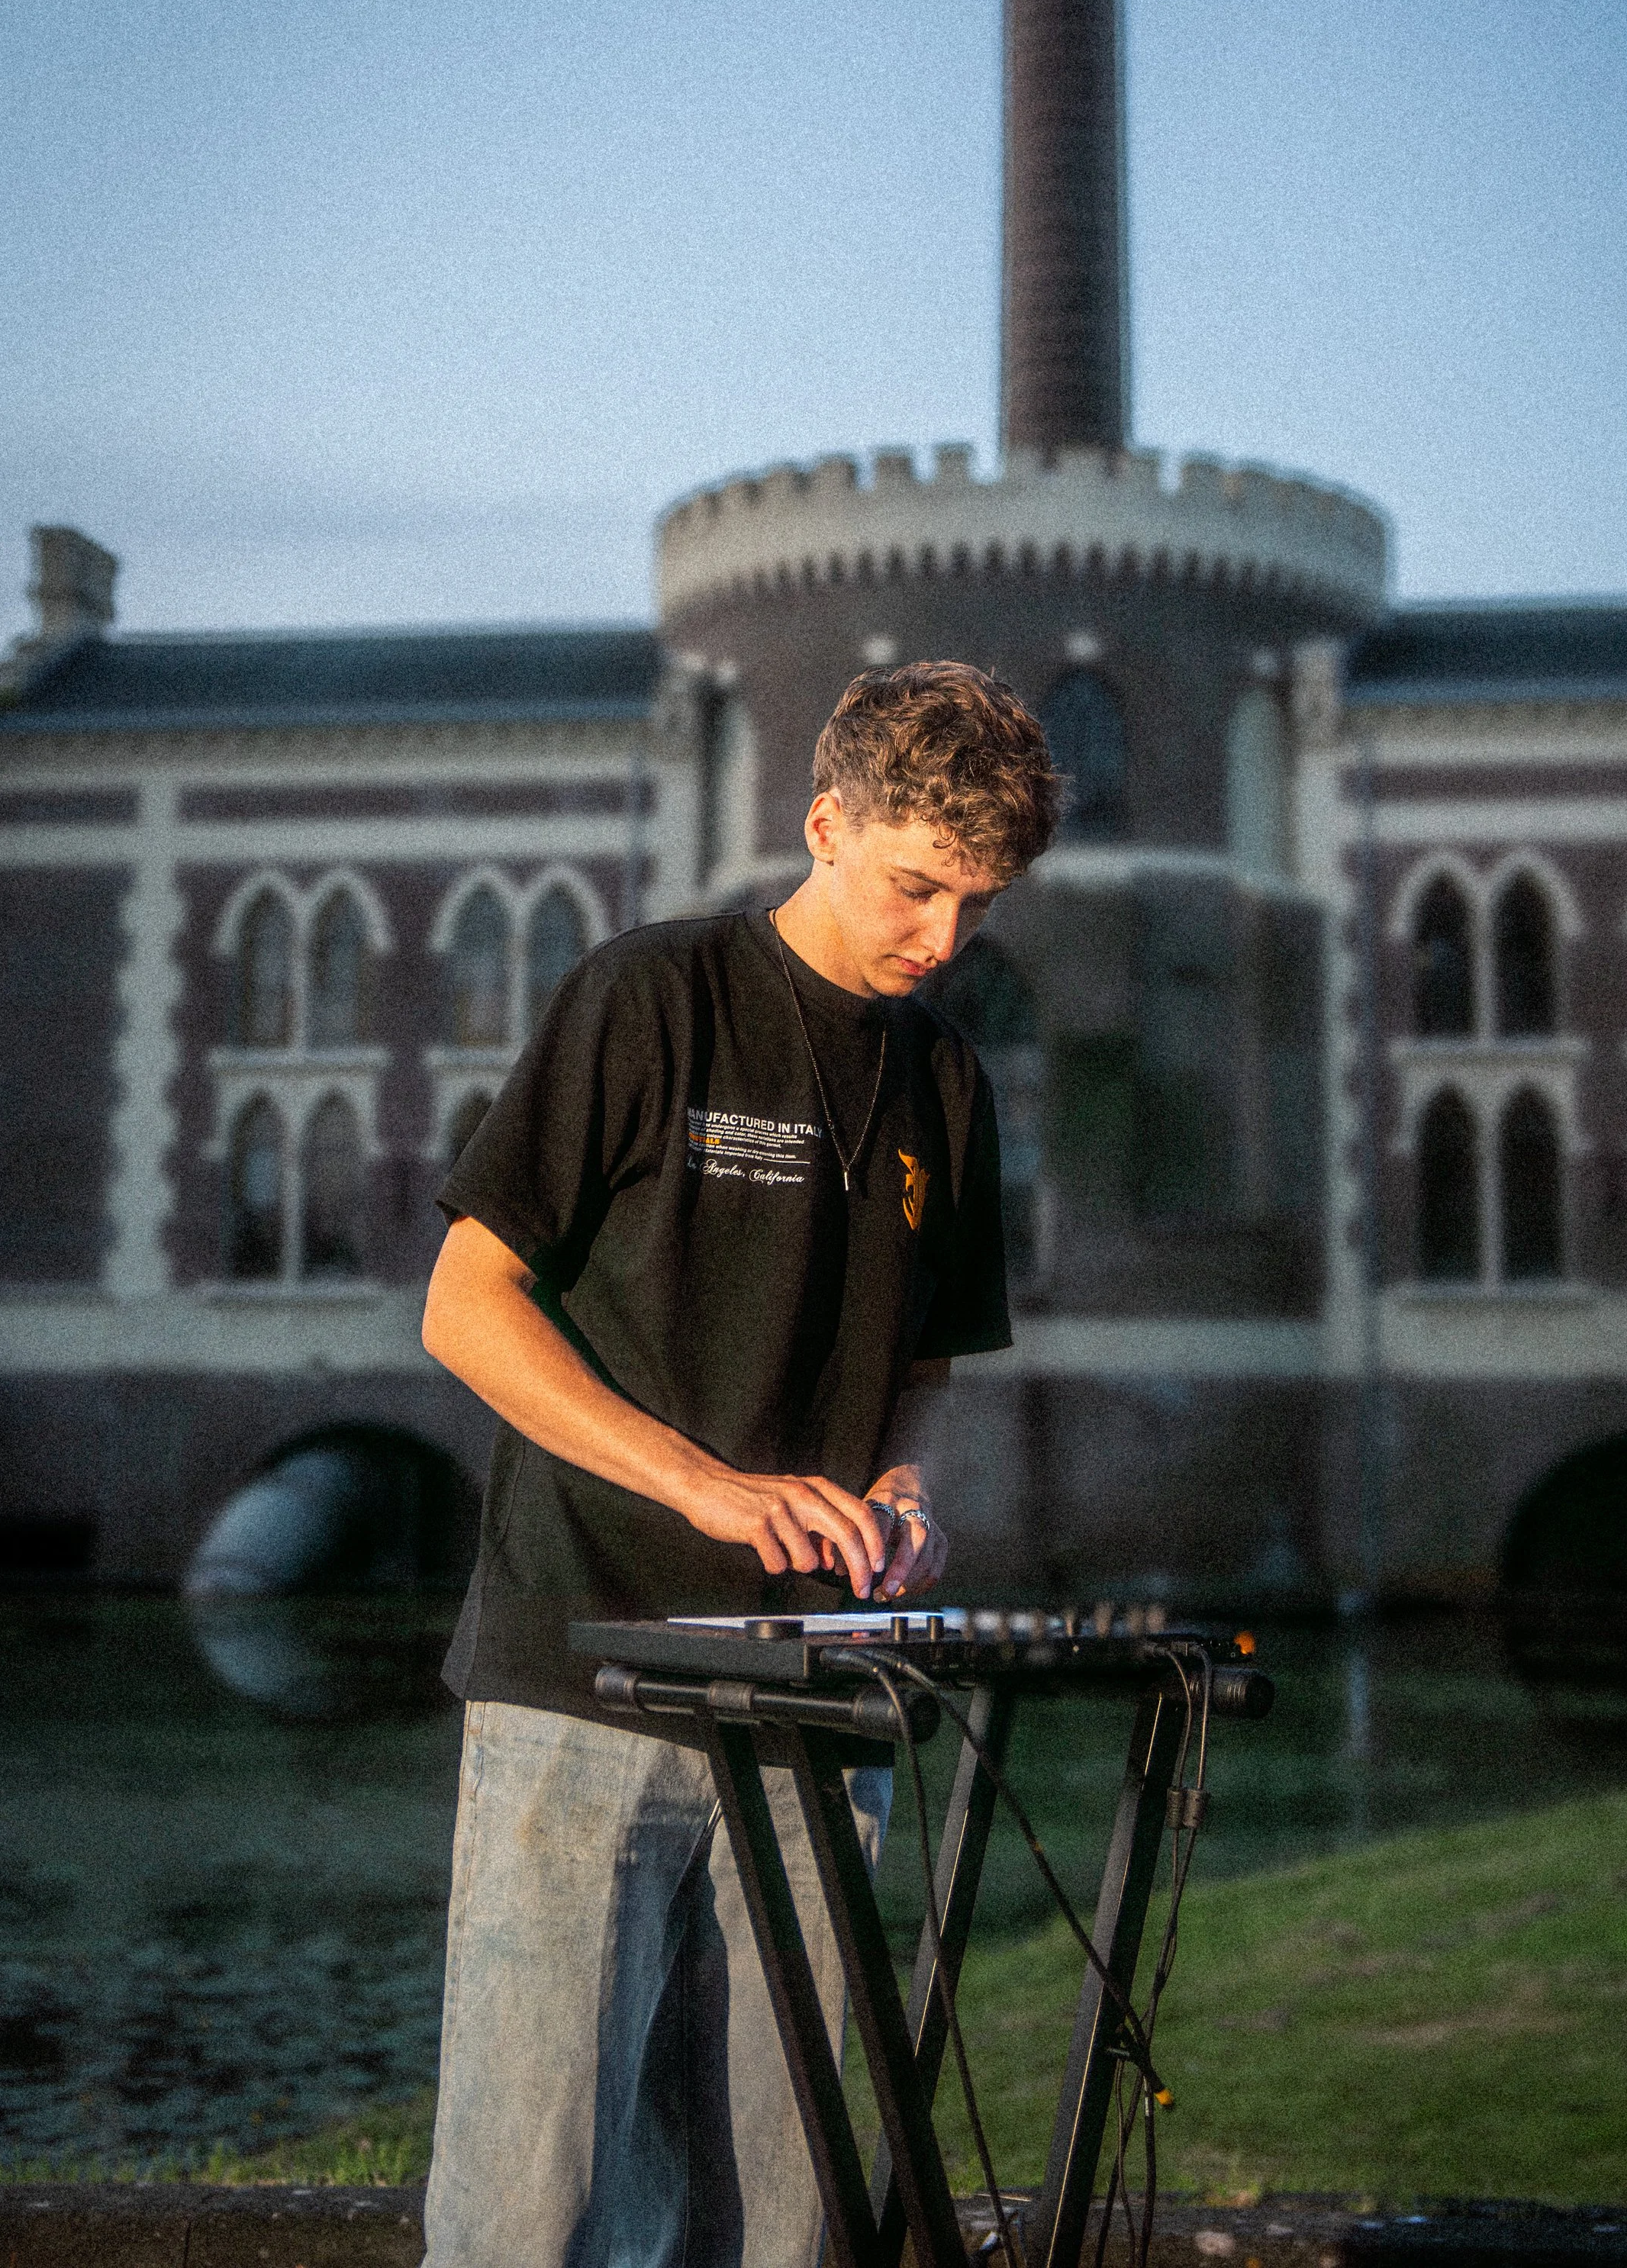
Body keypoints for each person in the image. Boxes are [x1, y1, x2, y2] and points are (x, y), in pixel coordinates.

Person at [417, 660, 1058, 2268]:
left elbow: (918, 1359)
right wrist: (704, 1485)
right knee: (533, 2222)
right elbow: (465, 1306)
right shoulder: (649, 997)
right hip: (583, 1678)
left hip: (813, 1708)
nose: (943, 938)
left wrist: (905, 1487)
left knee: (776, 2218)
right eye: (918, 885)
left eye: (977, 902)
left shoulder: (948, 1080)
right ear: (823, 822)